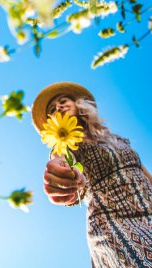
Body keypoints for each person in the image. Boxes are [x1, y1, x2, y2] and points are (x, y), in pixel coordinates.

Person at [32, 82, 152, 268]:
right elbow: (62, 164)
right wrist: (67, 180)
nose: (58, 107)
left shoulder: (117, 140)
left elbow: (145, 174)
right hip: (113, 225)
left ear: (79, 105)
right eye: (53, 109)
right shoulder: (64, 145)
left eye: (63, 101)